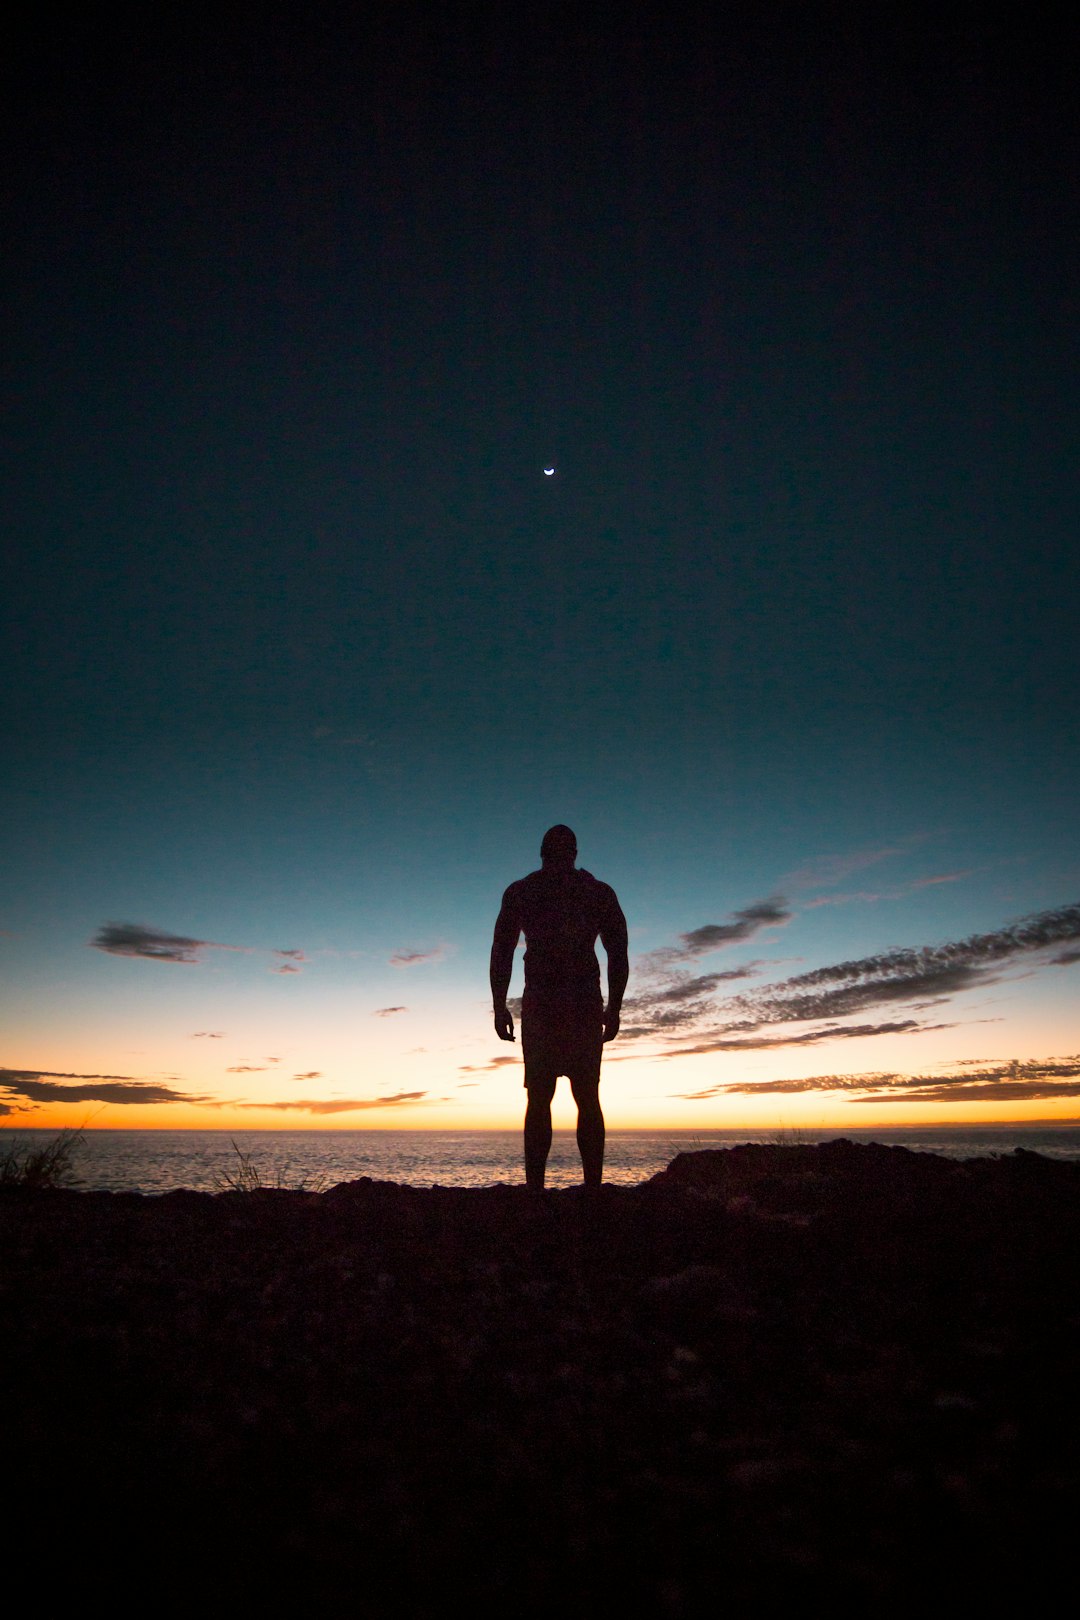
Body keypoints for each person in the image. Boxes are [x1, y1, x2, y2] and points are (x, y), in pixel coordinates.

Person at [490, 825, 628, 1191]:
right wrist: (614, 1006)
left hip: (559, 1005)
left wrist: (499, 1003)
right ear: (575, 853)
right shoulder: (593, 893)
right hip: (565, 1005)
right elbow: (618, 954)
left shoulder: (527, 892)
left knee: (550, 1099)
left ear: (541, 852)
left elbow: (502, 950)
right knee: (575, 1097)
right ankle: (583, 1189)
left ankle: (547, 1190)